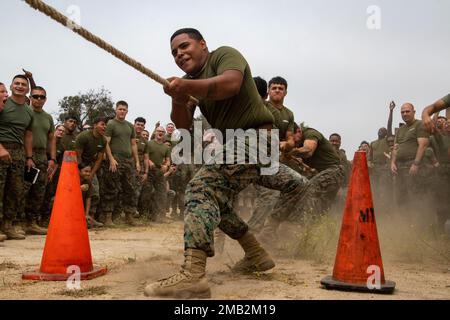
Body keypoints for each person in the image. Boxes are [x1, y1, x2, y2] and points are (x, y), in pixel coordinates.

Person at [144, 28, 309, 298]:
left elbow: (229, 85)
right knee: (215, 200)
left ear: (202, 44)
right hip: (238, 146)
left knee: (200, 189)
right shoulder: (189, 82)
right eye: (174, 52)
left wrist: (185, 87)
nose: (179, 54)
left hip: (256, 139)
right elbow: (184, 127)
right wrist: (177, 99)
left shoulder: (223, 55)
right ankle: (256, 254)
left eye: (184, 46)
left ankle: (193, 275)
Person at [0, 75, 34, 240]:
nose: (20, 86)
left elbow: (28, 135)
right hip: (1, 148)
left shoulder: (29, 111)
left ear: (27, 89)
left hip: (19, 152)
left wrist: (29, 157)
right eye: (17, 83)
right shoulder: (3, 104)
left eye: (23, 84)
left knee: (15, 191)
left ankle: (8, 226)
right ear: (11, 86)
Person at [99, 101, 139, 227]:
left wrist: (137, 161)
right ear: (116, 110)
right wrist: (110, 159)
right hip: (115, 160)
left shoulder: (129, 126)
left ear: (127, 111)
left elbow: (133, 144)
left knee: (130, 189)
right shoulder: (111, 124)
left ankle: (129, 216)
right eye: (120, 109)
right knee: (110, 188)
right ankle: (108, 218)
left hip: (128, 162)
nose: (122, 111)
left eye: (124, 109)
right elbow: (106, 143)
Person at [23, 86, 57, 235]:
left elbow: (51, 139)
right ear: (30, 97)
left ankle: (32, 223)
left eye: (41, 97)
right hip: (24, 155)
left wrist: (52, 158)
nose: (38, 99)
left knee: (39, 191)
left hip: (42, 156)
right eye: (35, 96)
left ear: (45, 99)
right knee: (22, 190)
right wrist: (27, 157)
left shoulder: (48, 117)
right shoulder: (24, 112)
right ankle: (16, 222)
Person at [391, 103, 430, 210]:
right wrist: (393, 162)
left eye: (407, 111)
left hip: (413, 165)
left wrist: (416, 164)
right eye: (402, 112)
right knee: (401, 196)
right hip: (400, 167)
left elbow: (423, 145)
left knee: (416, 195)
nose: (405, 114)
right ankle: (405, 221)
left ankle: (419, 221)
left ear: (414, 112)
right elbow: (395, 147)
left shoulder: (420, 124)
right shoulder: (400, 130)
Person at [75, 117, 108, 228]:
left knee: (94, 191)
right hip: (77, 166)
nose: (105, 127)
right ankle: (76, 218)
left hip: (90, 167)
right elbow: (77, 155)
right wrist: (81, 172)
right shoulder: (83, 136)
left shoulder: (103, 140)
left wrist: (91, 174)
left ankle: (89, 217)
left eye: (105, 125)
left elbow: (99, 159)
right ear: (95, 125)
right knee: (77, 191)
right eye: (102, 124)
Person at [147, 126, 171, 222]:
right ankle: (145, 215)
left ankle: (161, 216)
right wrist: (149, 162)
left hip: (160, 171)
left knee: (162, 193)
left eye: (162, 132)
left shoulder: (166, 147)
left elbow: (168, 160)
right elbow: (145, 156)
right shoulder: (149, 144)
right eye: (158, 131)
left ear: (164, 134)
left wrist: (166, 165)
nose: (160, 133)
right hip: (149, 171)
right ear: (155, 132)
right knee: (147, 192)